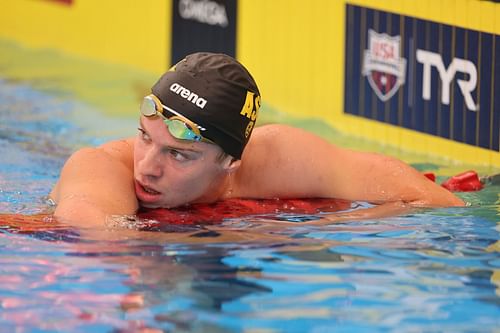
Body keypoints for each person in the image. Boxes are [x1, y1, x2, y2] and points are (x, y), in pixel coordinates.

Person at [49, 52, 464, 226]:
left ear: (231, 161)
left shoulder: (280, 157)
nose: (148, 166)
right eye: (145, 137)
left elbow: (437, 200)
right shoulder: (99, 168)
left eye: (179, 154)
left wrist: (336, 224)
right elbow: (99, 238)